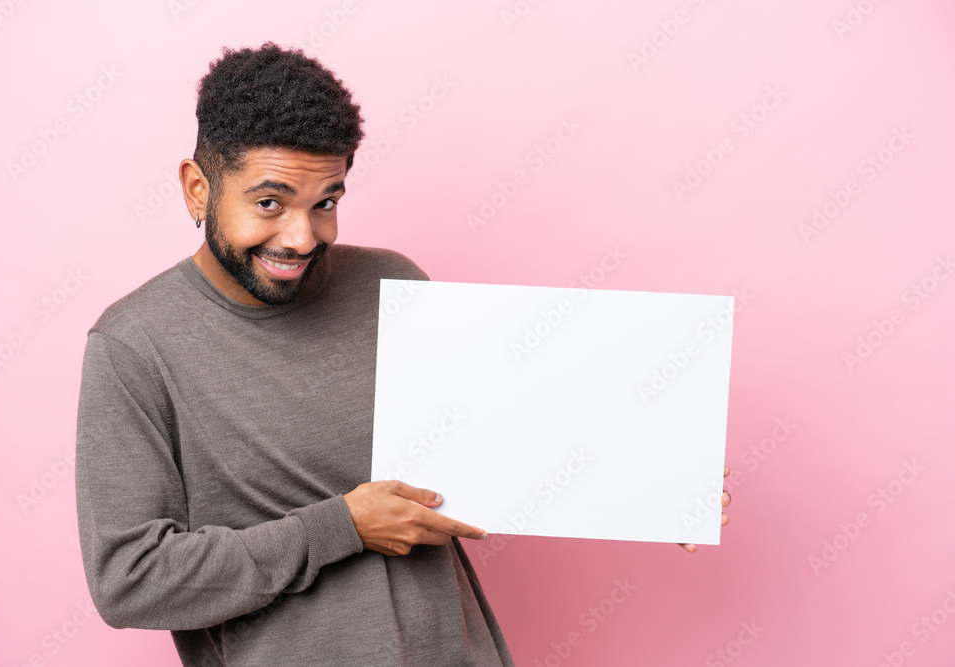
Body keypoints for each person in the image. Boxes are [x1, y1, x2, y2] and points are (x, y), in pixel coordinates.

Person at [75, 42, 730, 667]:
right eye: (270, 202)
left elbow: (502, 449)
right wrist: (344, 526)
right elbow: (132, 581)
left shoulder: (394, 285)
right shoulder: (134, 346)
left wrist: (651, 478)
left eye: (325, 203)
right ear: (197, 188)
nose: (302, 237)